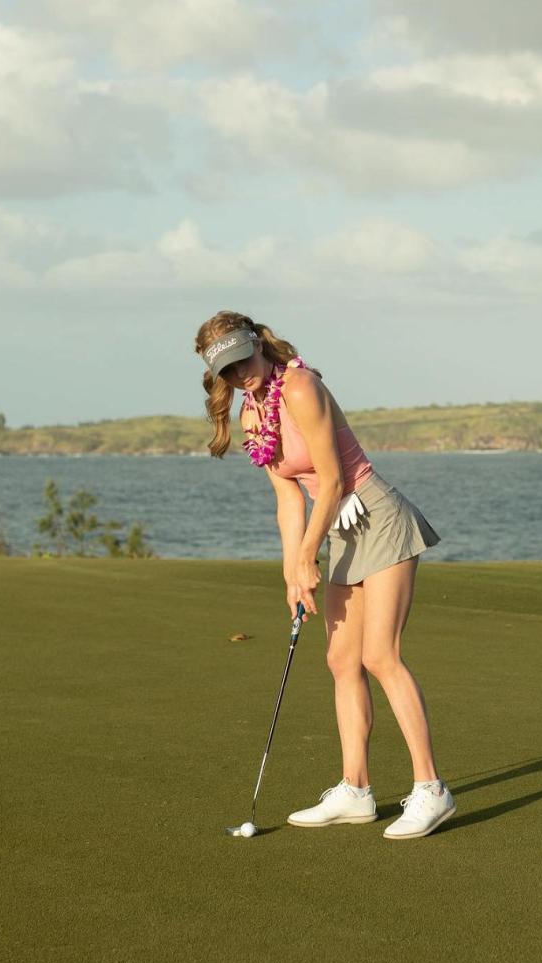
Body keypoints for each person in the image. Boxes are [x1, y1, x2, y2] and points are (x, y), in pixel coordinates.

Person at [195, 309, 455, 840]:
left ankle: (431, 790)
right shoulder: (252, 416)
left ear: (258, 346)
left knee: (380, 654)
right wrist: (293, 568)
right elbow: (289, 497)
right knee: (341, 659)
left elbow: (334, 478)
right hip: (330, 525)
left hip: (373, 513)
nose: (241, 373)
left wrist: (309, 554)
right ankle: (356, 791)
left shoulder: (301, 387)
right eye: (228, 371)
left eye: (243, 360)